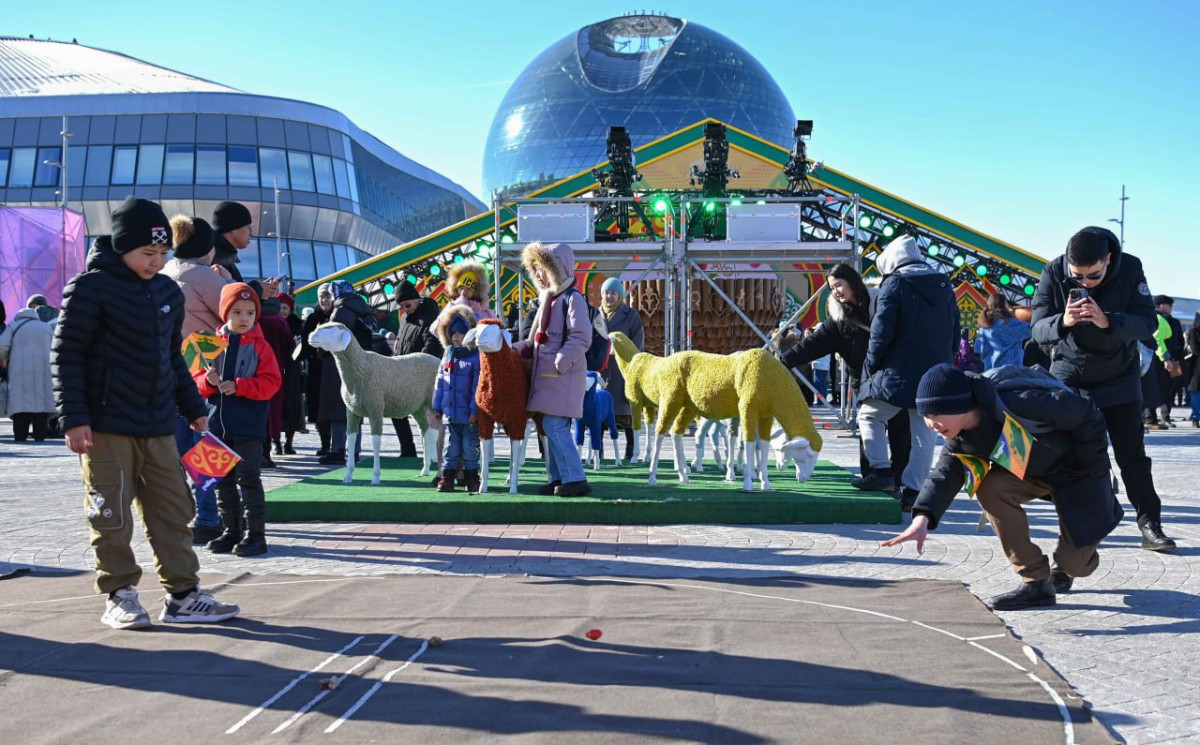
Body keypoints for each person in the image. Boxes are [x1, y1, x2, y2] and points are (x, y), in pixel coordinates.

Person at [51, 196, 240, 629]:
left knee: (173, 510)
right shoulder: (89, 288)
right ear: (121, 247)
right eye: (146, 253)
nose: (155, 262)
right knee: (110, 513)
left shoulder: (167, 291)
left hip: (158, 423)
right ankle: (119, 594)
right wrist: (74, 418)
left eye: (161, 254)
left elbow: (173, 358)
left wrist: (194, 408)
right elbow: (66, 356)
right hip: (104, 425)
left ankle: (183, 595)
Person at [882, 364, 1123, 610]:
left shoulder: (1019, 401)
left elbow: (1087, 414)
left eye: (936, 415)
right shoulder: (959, 435)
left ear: (961, 406)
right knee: (989, 487)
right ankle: (1036, 582)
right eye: (926, 416)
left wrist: (1089, 468)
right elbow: (945, 474)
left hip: (1079, 473)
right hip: (1032, 473)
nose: (931, 423)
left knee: (1074, 565)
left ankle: (1081, 545)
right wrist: (922, 517)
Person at [1030, 226, 1176, 551]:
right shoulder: (1053, 271)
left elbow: (1148, 322)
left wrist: (1108, 321)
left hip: (1119, 377)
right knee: (1068, 458)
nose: (1084, 284)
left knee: (1132, 456)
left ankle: (1149, 523)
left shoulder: (1131, 268)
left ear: (1108, 260)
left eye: (1092, 277)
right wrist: (1063, 321)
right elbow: (1037, 329)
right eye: (1077, 277)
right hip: (1070, 375)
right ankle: (1074, 535)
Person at [780, 263, 911, 494]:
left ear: (853, 282)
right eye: (832, 288)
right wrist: (780, 362)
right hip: (866, 385)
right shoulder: (839, 322)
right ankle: (874, 479)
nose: (836, 291)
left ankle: (901, 482)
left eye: (839, 284)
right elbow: (812, 344)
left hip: (895, 381)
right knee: (868, 431)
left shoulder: (884, 307)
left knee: (901, 433)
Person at [855, 235, 960, 507]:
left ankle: (881, 472)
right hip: (935, 371)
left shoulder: (895, 284)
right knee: (924, 432)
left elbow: (881, 332)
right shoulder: (944, 285)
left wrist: (871, 366)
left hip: (898, 370)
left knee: (869, 416)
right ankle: (914, 492)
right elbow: (955, 331)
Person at [192, 283, 282, 556]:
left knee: (249, 480)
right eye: (237, 312)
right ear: (224, 313)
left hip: (248, 427)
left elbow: (272, 383)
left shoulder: (261, 346)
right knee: (222, 481)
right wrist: (207, 383)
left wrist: (241, 386)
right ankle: (230, 531)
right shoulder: (207, 343)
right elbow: (193, 381)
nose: (244, 318)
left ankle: (256, 535)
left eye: (250, 313)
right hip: (216, 425)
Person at [162, 215, 227, 543]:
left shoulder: (165, 271)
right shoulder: (203, 275)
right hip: (204, 372)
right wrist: (229, 281)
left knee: (175, 448)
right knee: (204, 448)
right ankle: (209, 518)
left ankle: (179, 517)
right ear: (206, 248)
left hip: (169, 373)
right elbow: (237, 312)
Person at [513, 241, 592, 497]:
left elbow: (581, 336)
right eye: (535, 269)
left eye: (542, 268)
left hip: (562, 375)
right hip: (547, 375)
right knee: (548, 425)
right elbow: (534, 336)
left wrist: (562, 359)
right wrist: (518, 348)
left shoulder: (572, 299)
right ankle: (557, 476)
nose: (537, 274)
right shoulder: (547, 298)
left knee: (555, 425)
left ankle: (574, 477)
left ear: (557, 268)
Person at [431, 304, 482, 492]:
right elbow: (441, 383)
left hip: (468, 415)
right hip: (451, 413)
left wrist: (474, 410)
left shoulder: (476, 357)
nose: (456, 337)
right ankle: (447, 477)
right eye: (453, 333)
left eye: (461, 333)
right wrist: (438, 407)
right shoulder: (448, 355)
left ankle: (471, 477)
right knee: (451, 448)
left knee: (470, 448)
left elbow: (478, 386)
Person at [599, 277, 645, 461]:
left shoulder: (631, 315)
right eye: (606, 293)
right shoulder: (595, 314)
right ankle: (598, 449)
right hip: (601, 368)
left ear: (619, 295)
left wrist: (632, 364)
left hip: (623, 369)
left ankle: (631, 449)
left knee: (625, 408)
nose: (609, 296)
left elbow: (638, 343)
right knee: (599, 409)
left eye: (613, 293)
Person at [0, 299, 56, 441]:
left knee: (20, 404)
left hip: (19, 371)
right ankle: (40, 434)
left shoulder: (13, 326)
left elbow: (1, 348)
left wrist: (8, 358)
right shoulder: (45, 327)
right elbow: (55, 348)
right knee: (41, 404)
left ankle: (20, 434)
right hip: (43, 371)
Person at [300, 284, 334, 455]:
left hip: (335, 370)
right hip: (316, 369)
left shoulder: (339, 316)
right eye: (321, 296)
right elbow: (305, 343)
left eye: (327, 296)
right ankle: (324, 443)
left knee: (335, 408)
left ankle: (338, 444)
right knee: (318, 408)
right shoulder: (312, 318)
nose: (324, 300)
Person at [275, 292, 306, 453]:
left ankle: (289, 441)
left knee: (292, 405)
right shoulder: (272, 323)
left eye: (285, 307)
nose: (282, 310)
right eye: (279, 307)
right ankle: (277, 442)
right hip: (275, 368)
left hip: (292, 370)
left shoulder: (297, 325)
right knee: (276, 406)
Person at [975, 292, 1031, 370]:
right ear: (1005, 306)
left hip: (990, 371)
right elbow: (1031, 329)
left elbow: (978, 348)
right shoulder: (1012, 323)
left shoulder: (984, 327)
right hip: (1012, 371)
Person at [1153, 295, 1185, 426]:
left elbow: (1180, 341)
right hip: (1157, 360)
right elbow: (1157, 340)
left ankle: (1166, 417)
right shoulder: (1154, 319)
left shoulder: (1175, 322)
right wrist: (1166, 358)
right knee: (1154, 388)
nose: (1171, 308)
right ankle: (1150, 418)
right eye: (1169, 305)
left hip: (1174, 361)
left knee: (1172, 387)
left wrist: (1175, 357)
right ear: (1161, 305)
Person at [210, 201, 253, 283]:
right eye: (248, 227)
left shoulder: (221, 254)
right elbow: (225, 293)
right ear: (233, 228)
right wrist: (256, 289)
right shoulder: (216, 257)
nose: (251, 233)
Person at [1187, 312, 1200, 428]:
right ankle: (1195, 417)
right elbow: (1195, 349)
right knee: (1196, 393)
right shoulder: (1194, 332)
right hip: (1197, 367)